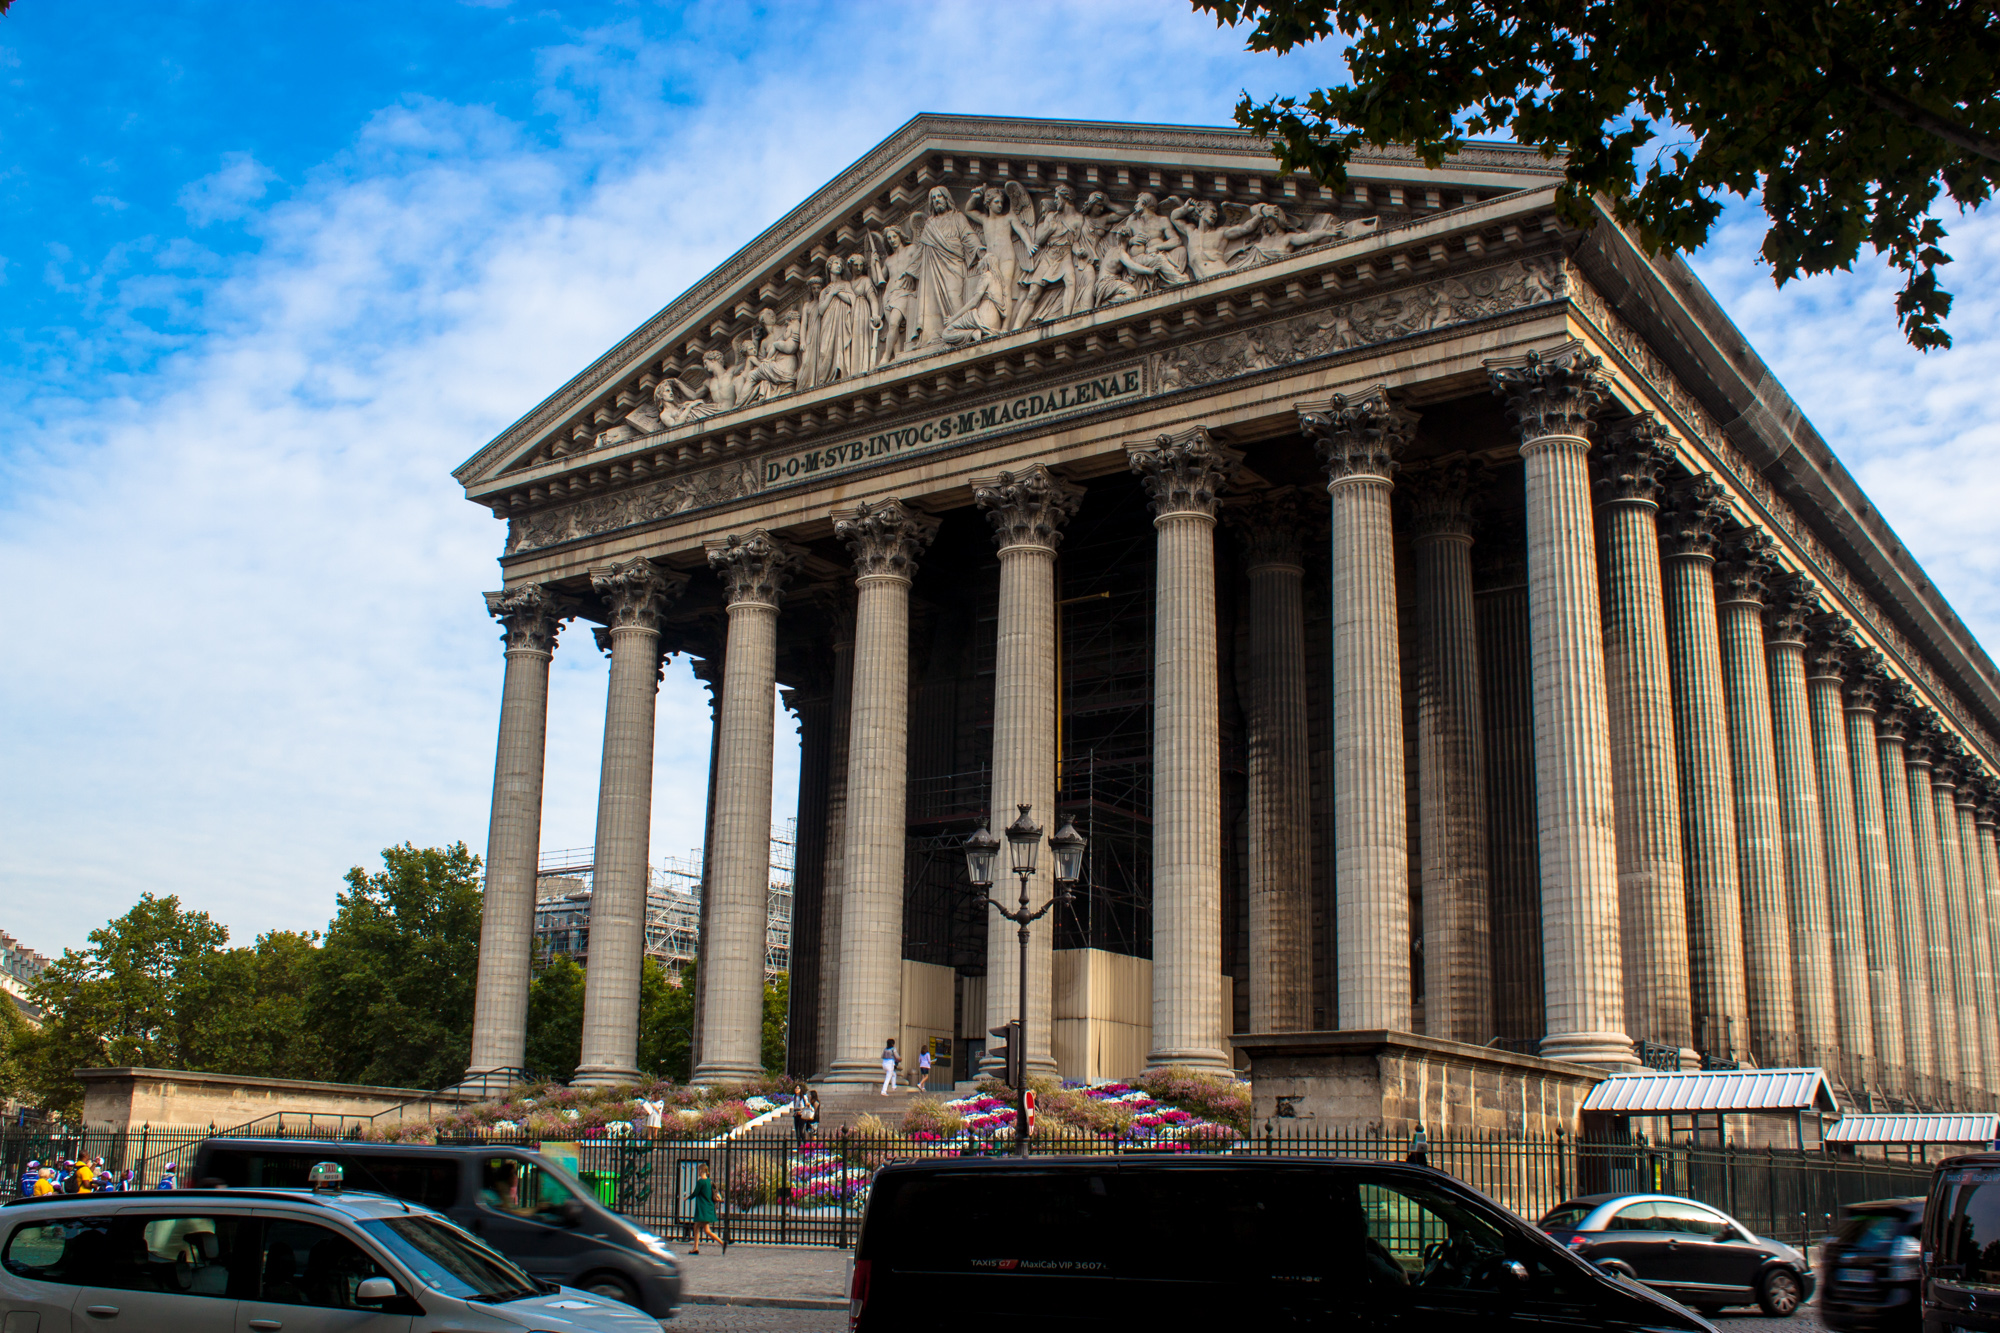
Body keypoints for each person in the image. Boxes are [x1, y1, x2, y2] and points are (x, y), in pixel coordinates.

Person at [686, 1163, 723, 1255]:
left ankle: (722, 1243)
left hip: (703, 1208)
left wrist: (687, 1198)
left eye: (699, 1170)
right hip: (708, 1207)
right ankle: (695, 1248)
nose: (698, 1172)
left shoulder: (701, 1182)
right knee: (696, 1227)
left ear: (701, 1171)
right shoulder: (709, 1181)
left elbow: (695, 1193)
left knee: (706, 1230)